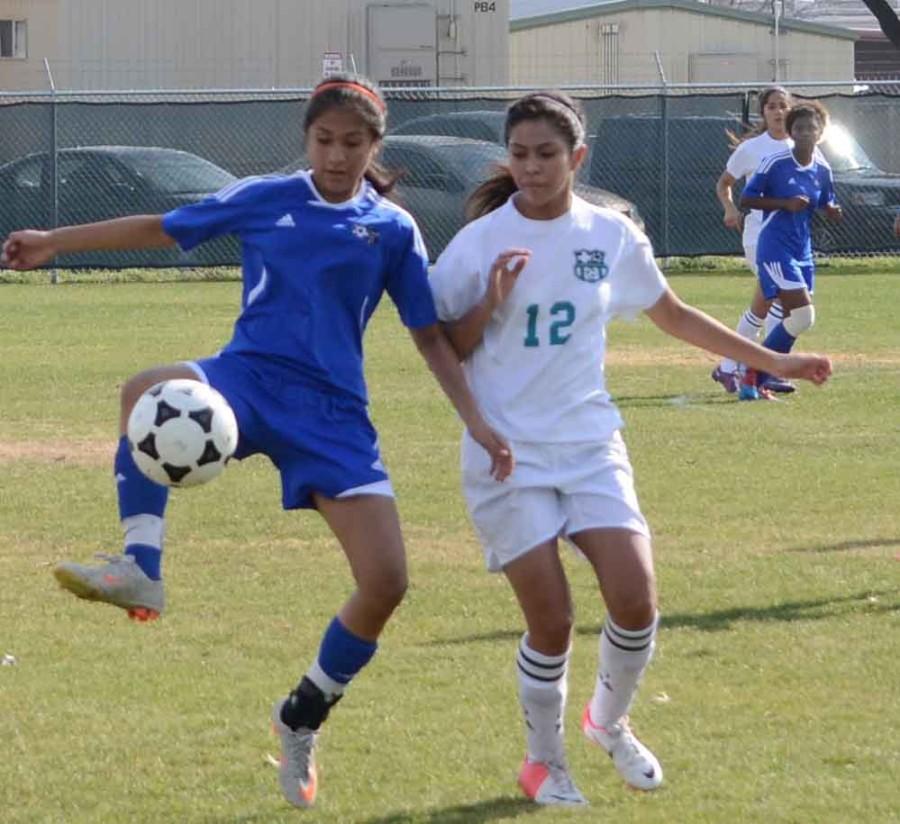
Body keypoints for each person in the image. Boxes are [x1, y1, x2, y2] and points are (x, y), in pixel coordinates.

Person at [0, 74, 513, 810]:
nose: (337, 155)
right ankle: (141, 565)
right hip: (245, 381)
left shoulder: (393, 229)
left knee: (387, 582)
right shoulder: (269, 196)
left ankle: (302, 714)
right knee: (145, 387)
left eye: (353, 142)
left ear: (376, 145)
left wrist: (477, 420)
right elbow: (164, 225)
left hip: (332, 414)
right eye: (324, 140)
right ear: (306, 140)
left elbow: (429, 335)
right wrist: (55, 240)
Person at [428, 91, 832, 807]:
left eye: (546, 155)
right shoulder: (479, 242)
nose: (530, 168)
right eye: (519, 154)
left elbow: (672, 313)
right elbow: (444, 346)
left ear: (577, 159)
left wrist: (775, 362)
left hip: (588, 442)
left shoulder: (610, 235)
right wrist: (488, 302)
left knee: (637, 599)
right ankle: (542, 761)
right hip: (507, 455)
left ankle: (607, 722)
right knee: (550, 618)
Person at [739, 101, 842, 400]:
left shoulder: (822, 169)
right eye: (799, 127)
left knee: (795, 318)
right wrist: (784, 203)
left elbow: (824, 200)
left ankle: (755, 376)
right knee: (803, 314)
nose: (806, 132)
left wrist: (831, 209)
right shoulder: (776, 162)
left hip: (802, 250)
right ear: (791, 132)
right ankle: (755, 373)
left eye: (812, 127)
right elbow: (747, 199)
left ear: (821, 132)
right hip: (775, 247)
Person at [712, 86, 796, 394]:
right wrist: (730, 208)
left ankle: (730, 367)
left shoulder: (800, 146)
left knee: (771, 305)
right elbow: (724, 184)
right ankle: (765, 370)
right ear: (763, 113)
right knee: (781, 300)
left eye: (782, 106)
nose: (777, 112)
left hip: (789, 239)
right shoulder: (752, 149)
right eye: (772, 106)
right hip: (759, 237)